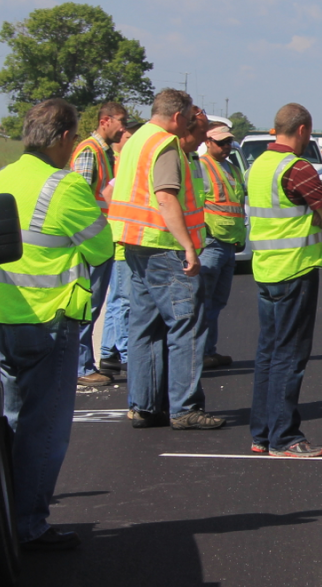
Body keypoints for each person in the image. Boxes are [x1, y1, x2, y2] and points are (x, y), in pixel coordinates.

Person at [0, 99, 114, 550]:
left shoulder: (4, 177)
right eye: (74, 137)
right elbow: (101, 250)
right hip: (51, 320)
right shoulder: (65, 186)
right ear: (62, 138)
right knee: (45, 432)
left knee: (15, 421)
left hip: (4, 317)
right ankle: (30, 528)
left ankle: (7, 518)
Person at [108, 90, 225, 430]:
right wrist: (188, 246)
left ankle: (144, 405)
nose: (191, 122)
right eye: (189, 116)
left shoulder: (137, 139)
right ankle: (184, 407)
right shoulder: (165, 145)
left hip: (135, 242)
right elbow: (166, 197)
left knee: (145, 326)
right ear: (177, 117)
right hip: (163, 245)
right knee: (186, 324)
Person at [248, 103, 322, 457]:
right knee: (290, 356)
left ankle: (262, 433)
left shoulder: (259, 166)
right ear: (302, 130)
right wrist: (309, 223)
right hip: (295, 268)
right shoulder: (297, 169)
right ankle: (285, 437)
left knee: (268, 354)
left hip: (266, 267)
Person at [69, 101, 127, 386]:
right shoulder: (90, 152)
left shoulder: (102, 153)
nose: (124, 127)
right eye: (121, 121)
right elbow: (79, 201)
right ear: (105, 121)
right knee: (86, 306)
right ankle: (81, 366)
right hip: (90, 245)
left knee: (92, 306)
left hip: (100, 240)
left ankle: (85, 363)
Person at [198, 124, 245, 369]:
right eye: (221, 143)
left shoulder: (233, 169)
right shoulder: (201, 167)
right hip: (210, 241)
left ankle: (209, 350)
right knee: (203, 301)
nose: (226, 147)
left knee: (217, 302)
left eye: (228, 143)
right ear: (208, 142)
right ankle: (200, 352)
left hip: (229, 243)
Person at [99, 118, 142, 375]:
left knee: (117, 300)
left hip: (121, 238)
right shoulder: (129, 167)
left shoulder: (124, 163)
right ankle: (126, 355)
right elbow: (106, 194)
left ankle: (108, 351)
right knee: (124, 301)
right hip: (124, 240)